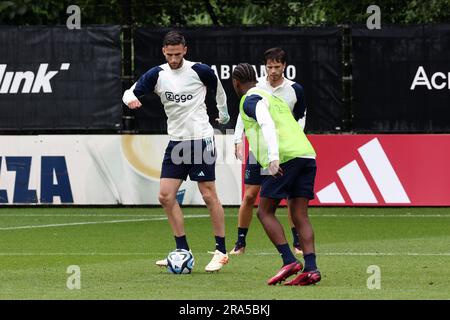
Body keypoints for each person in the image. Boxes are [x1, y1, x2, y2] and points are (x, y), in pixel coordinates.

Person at [122, 31, 230, 272]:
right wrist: (130, 99)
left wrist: (223, 114)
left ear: (185, 50)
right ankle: (182, 249)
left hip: (200, 139)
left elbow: (219, 91)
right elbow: (129, 91)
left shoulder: (200, 70)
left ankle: (221, 251)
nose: (173, 59)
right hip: (177, 143)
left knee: (208, 195)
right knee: (165, 195)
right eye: (169, 54)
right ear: (163, 51)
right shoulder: (157, 75)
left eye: (177, 54)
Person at [231, 63, 321, 285]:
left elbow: (266, 123)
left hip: (285, 157)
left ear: (236, 83)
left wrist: (273, 158)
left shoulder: (250, 100)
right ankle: (311, 268)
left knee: (264, 212)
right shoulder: (274, 98)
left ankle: (288, 260)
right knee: (300, 214)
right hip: (306, 154)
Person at [230, 48, 307, 256]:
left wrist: (288, 143)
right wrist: (238, 139)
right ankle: (240, 243)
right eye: (269, 66)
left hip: (285, 152)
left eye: (277, 66)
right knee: (249, 196)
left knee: (291, 197)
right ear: (265, 67)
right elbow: (242, 113)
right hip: (259, 149)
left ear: (284, 66)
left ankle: (297, 243)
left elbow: (300, 119)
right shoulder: (257, 87)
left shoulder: (295, 90)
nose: (273, 70)